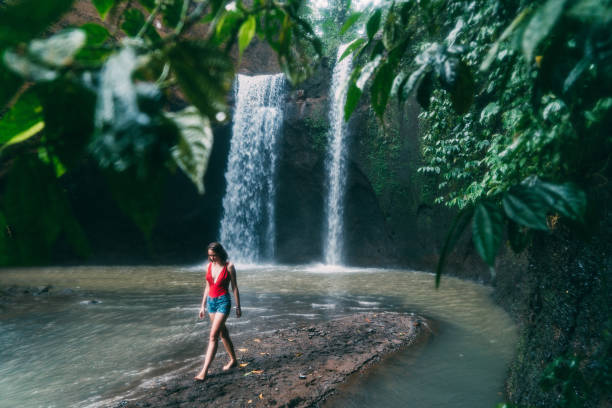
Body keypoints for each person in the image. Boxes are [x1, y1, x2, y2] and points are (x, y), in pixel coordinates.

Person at [195, 242, 242, 381]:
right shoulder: (208, 266)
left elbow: (234, 287)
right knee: (223, 333)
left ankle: (204, 371)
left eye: (214, 255)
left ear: (220, 253)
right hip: (211, 302)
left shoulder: (229, 267)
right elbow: (207, 286)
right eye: (210, 256)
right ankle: (234, 360)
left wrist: (238, 306)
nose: (212, 258)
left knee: (213, 335)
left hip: (223, 302)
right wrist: (202, 306)